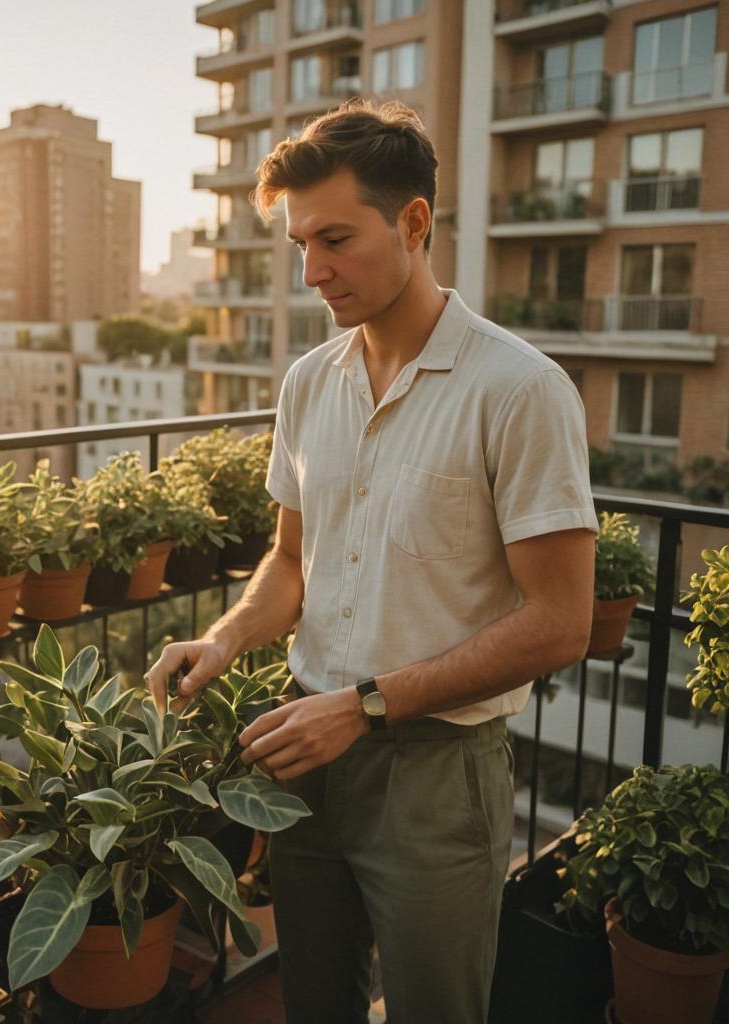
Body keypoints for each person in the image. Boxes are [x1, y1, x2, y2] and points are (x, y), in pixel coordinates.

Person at [145, 99, 598, 1024]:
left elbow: (562, 622)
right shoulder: (309, 383)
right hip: (305, 759)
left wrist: (365, 708)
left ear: (415, 223)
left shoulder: (520, 390)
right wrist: (225, 642)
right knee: (315, 1003)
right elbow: (289, 561)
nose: (314, 272)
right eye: (301, 245)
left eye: (338, 240)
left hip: (436, 771)